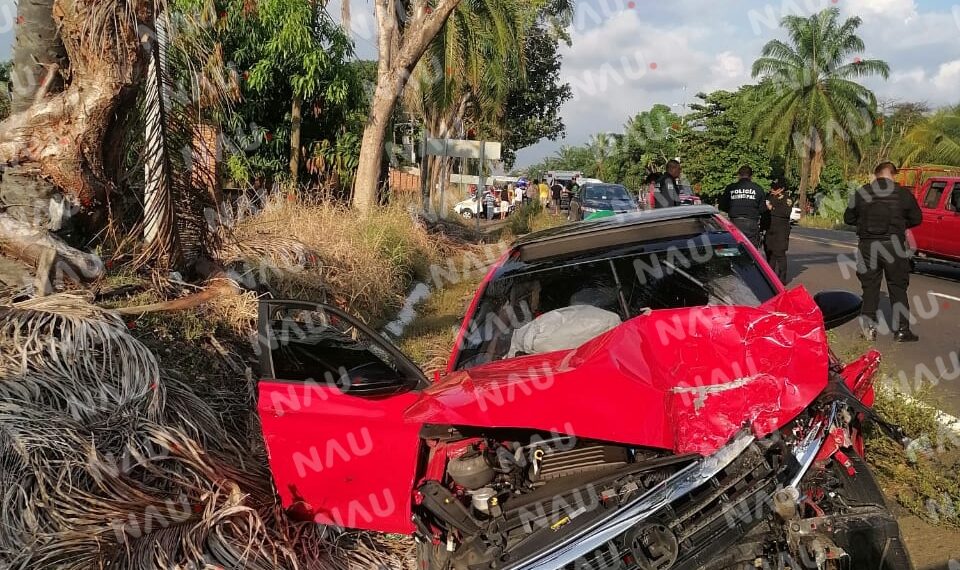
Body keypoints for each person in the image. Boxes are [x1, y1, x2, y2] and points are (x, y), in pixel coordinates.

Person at [843, 161, 922, 342]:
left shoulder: (863, 192)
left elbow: (848, 218)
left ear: (876, 174)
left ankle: (868, 330)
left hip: (868, 246)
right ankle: (902, 330)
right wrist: (900, 225)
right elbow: (917, 218)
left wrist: (865, 223)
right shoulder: (903, 194)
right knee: (897, 287)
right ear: (893, 174)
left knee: (869, 287)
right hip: (894, 246)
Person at [719, 165, 766, 248]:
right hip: (751, 224)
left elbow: (722, 206)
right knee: (751, 252)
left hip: (734, 224)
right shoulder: (758, 189)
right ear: (751, 176)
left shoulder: (731, 188)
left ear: (738, 175)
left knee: (735, 250)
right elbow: (762, 209)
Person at [763, 179, 793, 283]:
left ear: (781, 189)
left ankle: (782, 278)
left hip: (781, 230)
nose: (772, 190)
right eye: (772, 187)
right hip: (769, 229)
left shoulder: (787, 198)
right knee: (769, 252)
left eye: (775, 188)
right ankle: (770, 277)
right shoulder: (769, 196)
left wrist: (772, 208)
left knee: (779, 253)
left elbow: (786, 213)